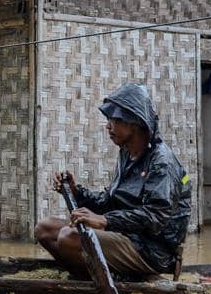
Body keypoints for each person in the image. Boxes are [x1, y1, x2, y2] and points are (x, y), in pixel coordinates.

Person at [34, 82, 191, 278]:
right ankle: (89, 275)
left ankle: (105, 276)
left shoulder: (162, 163)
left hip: (152, 250)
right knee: (44, 228)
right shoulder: (127, 154)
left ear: (133, 123)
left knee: (69, 237)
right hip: (124, 236)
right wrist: (76, 192)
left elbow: (155, 217)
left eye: (115, 120)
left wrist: (105, 221)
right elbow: (110, 201)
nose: (108, 126)